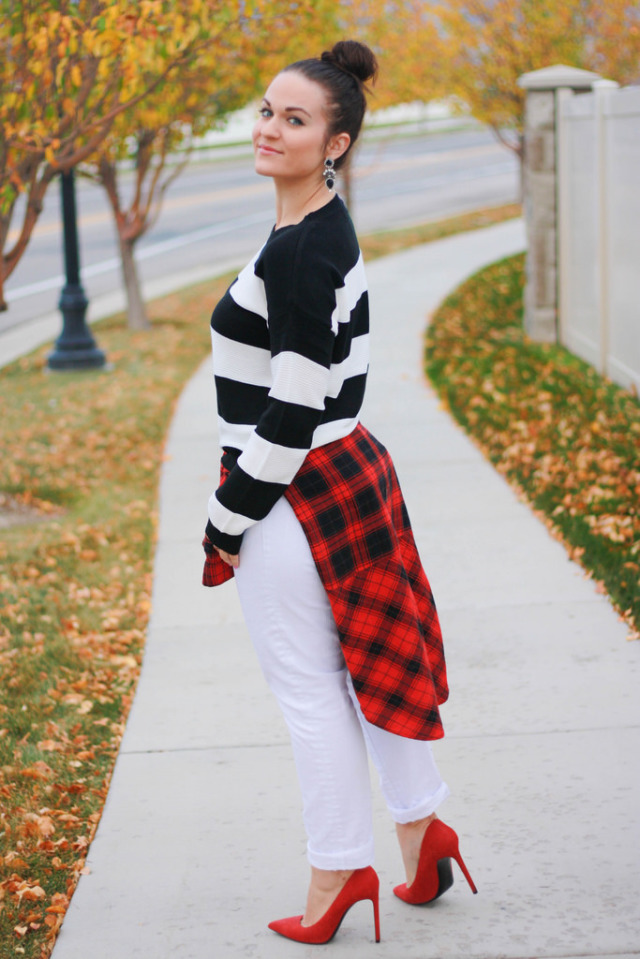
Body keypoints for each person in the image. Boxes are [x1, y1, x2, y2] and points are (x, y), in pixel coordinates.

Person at [202, 39, 477, 945]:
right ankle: (420, 826)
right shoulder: (321, 222)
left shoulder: (298, 252)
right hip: (347, 471)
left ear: (337, 142)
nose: (269, 128)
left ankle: (338, 872)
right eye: (267, 111)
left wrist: (228, 513)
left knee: (312, 689)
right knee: (369, 668)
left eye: (295, 118)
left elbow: (291, 405)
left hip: (293, 490)